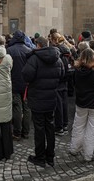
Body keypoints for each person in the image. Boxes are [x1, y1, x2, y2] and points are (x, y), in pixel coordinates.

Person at [22, 36, 64, 168]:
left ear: (38, 45)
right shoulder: (58, 58)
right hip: (51, 97)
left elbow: (26, 75)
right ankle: (50, 156)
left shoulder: (34, 58)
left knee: (39, 128)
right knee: (50, 127)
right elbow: (62, 74)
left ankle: (40, 156)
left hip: (38, 98)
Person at [68, 49, 94, 162]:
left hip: (81, 103)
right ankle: (89, 154)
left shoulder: (76, 71)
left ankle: (74, 148)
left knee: (78, 126)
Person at [6, 30, 32, 140]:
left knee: (17, 108)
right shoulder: (29, 50)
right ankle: (25, 132)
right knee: (26, 108)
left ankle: (17, 132)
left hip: (14, 82)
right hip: (26, 83)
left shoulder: (9, 50)